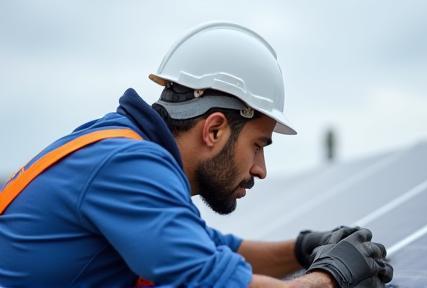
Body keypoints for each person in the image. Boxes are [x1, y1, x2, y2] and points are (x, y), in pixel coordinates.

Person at [0, 22, 392, 287]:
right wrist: (330, 277)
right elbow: (208, 280)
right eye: (258, 145)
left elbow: (212, 247)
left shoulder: (122, 147)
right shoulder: (127, 165)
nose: (261, 169)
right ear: (215, 129)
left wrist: (301, 249)